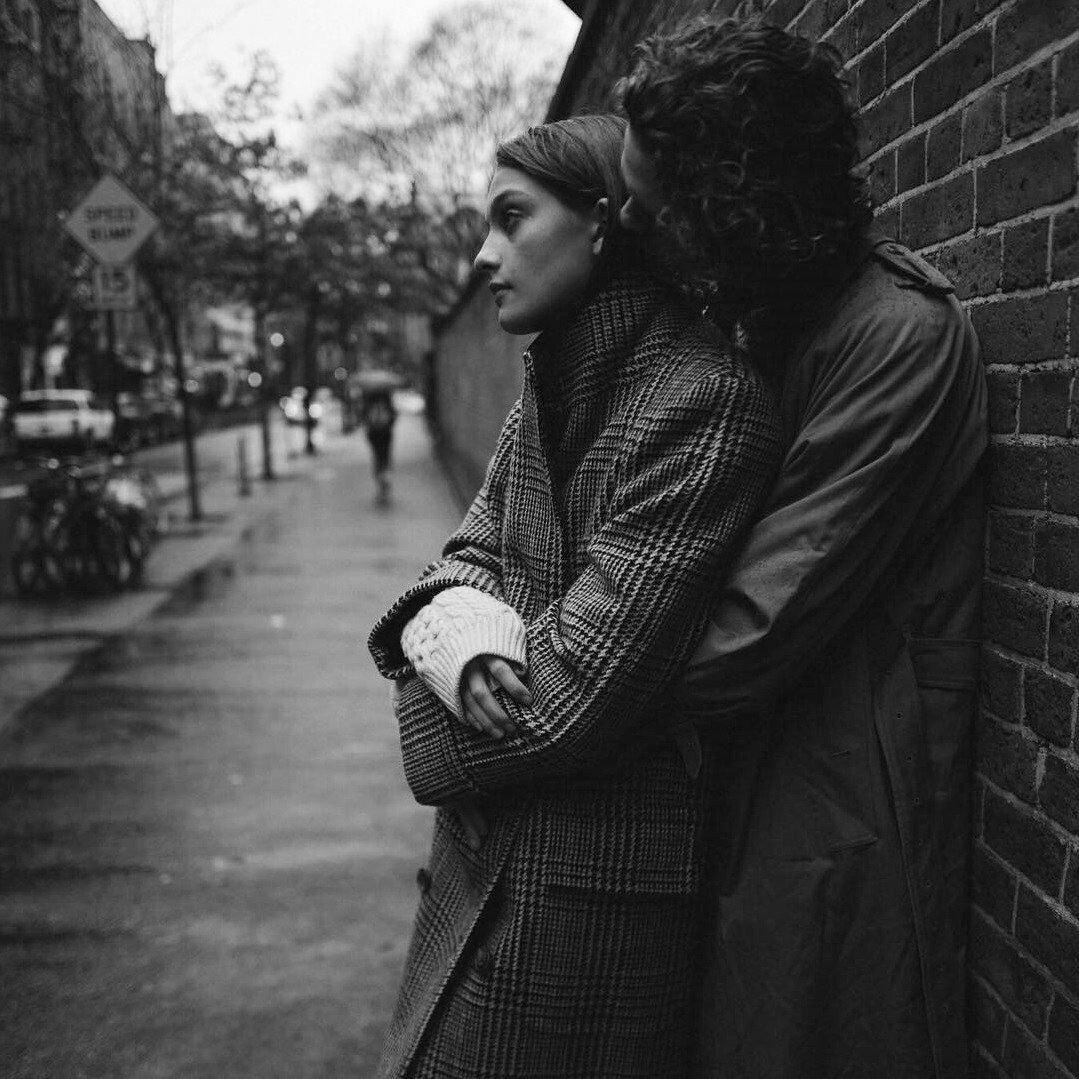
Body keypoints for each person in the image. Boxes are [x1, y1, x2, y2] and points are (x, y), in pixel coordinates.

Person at [367, 114, 781, 1078]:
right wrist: (458, 631)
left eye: (512, 218)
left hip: (587, 903)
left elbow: (565, 699)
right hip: (485, 861)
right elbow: (464, 556)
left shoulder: (703, 401)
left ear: (600, 221)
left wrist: (434, 675)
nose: (484, 254)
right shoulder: (545, 389)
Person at [615, 12, 988, 1078]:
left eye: (652, 207)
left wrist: (569, 677)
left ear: (728, 205)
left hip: (835, 805)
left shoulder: (896, 338)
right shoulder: (770, 322)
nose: (632, 227)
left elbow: (747, 630)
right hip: (759, 786)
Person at [361, 389, 397, 498]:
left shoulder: (369, 398)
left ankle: (380, 479)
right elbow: (394, 415)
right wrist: (388, 425)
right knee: (385, 455)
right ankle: (385, 476)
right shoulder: (386, 398)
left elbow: (363, 416)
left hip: (374, 434)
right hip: (386, 433)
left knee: (377, 456)